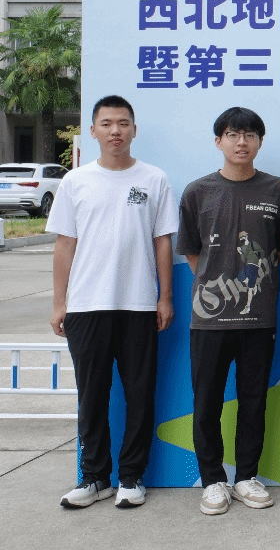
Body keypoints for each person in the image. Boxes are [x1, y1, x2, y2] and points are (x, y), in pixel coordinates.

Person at [49, 95, 178, 509]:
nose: (115, 131)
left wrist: (165, 297)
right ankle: (94, 477)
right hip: (87, 305)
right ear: (93, 131)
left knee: (139, 394)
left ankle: (131, 477)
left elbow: (163, 241)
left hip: (139, 305)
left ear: (134, 130)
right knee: (92, 396)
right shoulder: (75, 181)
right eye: (106, 124)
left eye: (123, 123)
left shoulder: (154, 179)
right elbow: (64, 244)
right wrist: (59, 302)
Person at [177, 107, 280, 515]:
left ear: (260, 142)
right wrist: (216, 289)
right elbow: (193, 252)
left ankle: (246, 477)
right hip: (209, 320)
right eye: (232, 134)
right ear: (218, 140)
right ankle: (212, 481)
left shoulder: (278, 190)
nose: (242, 142)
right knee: (206, 401)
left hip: (259, 318)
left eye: (250, 135)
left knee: (253, 401)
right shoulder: (198, 192)